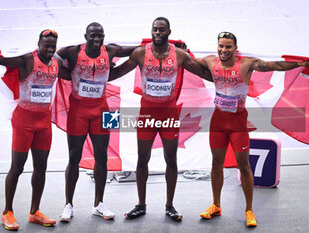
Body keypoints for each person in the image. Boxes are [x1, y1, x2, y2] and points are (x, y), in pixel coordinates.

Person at [195, 31, 309, 227]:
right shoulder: (210, 61)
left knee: (244, 166)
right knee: (216, 163)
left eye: (228, 46)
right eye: (221, 46)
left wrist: (299, 64)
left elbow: (275, 65)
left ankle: (249, 210)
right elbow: (187, 61)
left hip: (238, 124)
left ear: (235, 49)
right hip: (218, 123)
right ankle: (216, 205)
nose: (224, 50)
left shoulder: (246, 64)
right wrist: (175, 50)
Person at [109, 17, 212, 221]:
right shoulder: (140, 53)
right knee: (142, 159)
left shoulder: (179, 55)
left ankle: (170, 206)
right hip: (147, 112)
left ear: (169, 32)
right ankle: (141, 204)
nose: (157, 33)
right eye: (154, 29)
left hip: (169, 113)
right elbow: (116, 73)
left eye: (161, 30)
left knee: (171, 159)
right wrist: (91, 72)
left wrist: (228, 73)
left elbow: (205, 73)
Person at [0, 29, 62, 231]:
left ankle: (35, 211)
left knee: (41, 167)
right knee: (17, 168)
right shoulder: (28, 59)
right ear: (38, 44)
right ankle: (7, 212)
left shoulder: (56, 63)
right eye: (47, 46)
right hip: (24, 121)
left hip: (44, 122)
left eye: (53, 46)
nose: (50, 49)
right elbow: (2, 60)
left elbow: (72, 75)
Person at [56, 22, 137, 222]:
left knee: (102, 156)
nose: (96, 39)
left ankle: (99, 204)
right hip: (78, 111)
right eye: (92, 35)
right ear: (85, 36)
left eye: (100, 36)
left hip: (103, 108)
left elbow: (139, 49)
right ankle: (68, 205)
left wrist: (170, 46)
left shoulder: (110, 51)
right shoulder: (73, 52)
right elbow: (52, 57)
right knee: (74, 157)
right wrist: (66, 72)